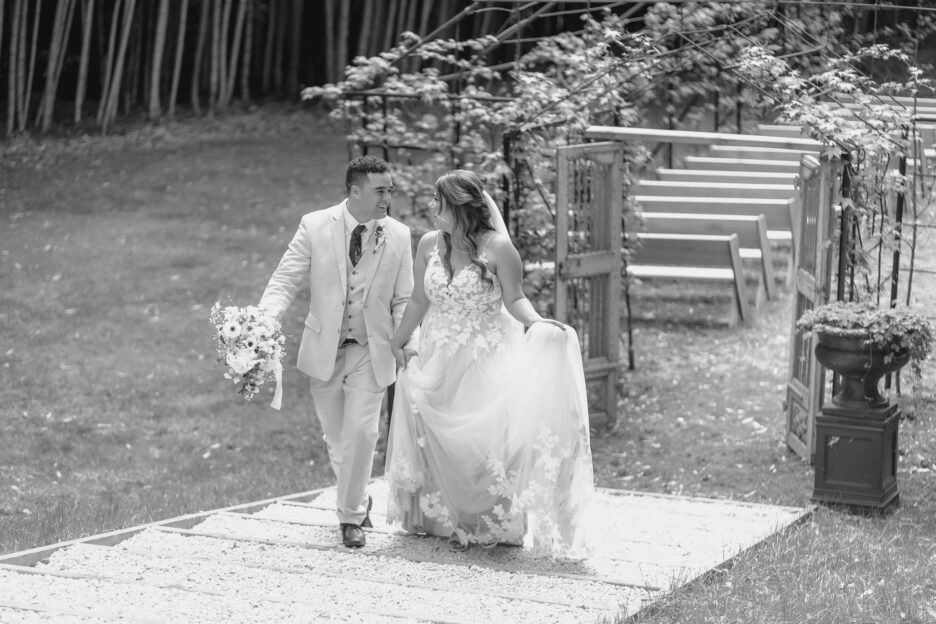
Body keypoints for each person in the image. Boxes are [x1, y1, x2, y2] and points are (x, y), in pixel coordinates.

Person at [384, 169, 595, 558]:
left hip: (485, 356)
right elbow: (418, 300)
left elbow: (514, 299)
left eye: (439, 201)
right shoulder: (429, 243)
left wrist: (538, 322)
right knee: (434, 433)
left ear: (461, 207)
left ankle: (490, 522)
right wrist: (398, 341)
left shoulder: (499, 249)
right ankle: (440, 519)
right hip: (437, 353)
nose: (431, 207)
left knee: (484, 439)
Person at [258, 155, 417, 548]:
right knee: (338, 439)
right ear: (355, 190)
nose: (388, 198)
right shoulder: (315, 225)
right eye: (381, 190)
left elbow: (404, 298)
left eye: (390, 190)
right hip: (324, 349)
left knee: (363, 432)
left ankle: (350, 519)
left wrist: (405, 340)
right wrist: (263, 320)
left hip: (371, 348)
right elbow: (285, 279)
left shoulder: (398, 234)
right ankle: (358, 498)